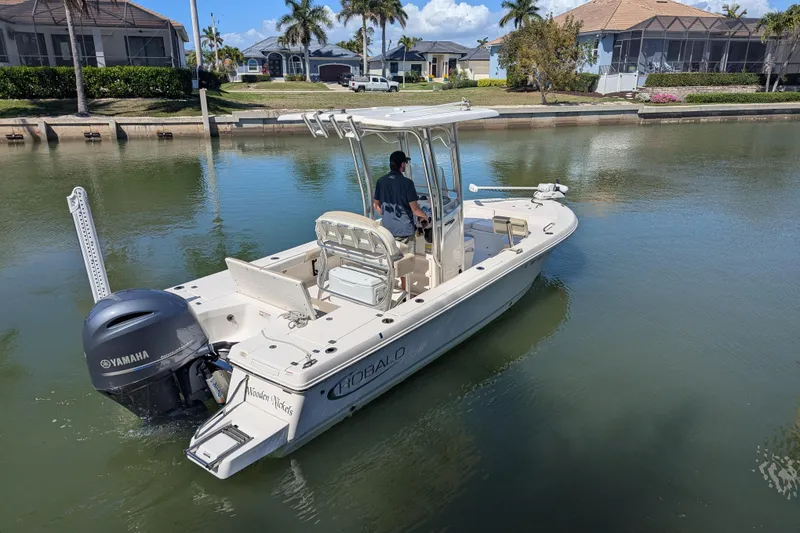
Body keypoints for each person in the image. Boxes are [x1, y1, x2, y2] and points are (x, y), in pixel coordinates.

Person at [372, 150, 429, 255]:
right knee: (407, 261)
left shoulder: (381, 181)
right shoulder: (407, 183)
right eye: (405, 163)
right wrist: (425, 217)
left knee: (393, 259)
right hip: (405, 232)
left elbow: (376, 204)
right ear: (402, 164)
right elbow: (415, 210)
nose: (406, 166)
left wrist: (385, 214)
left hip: (387, 231)